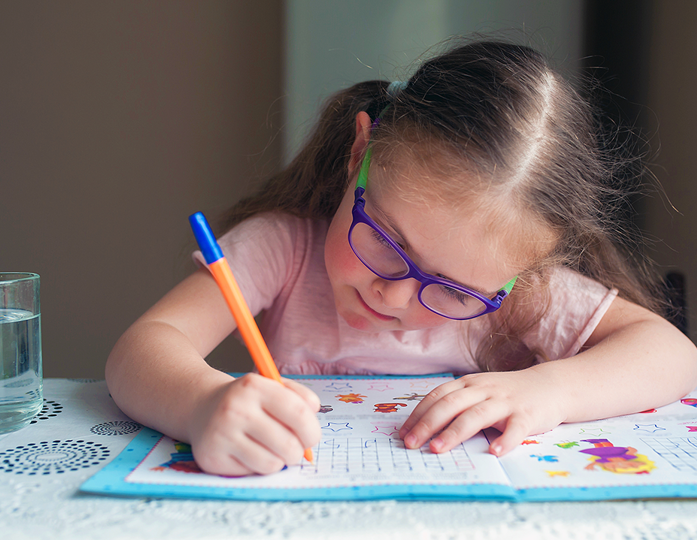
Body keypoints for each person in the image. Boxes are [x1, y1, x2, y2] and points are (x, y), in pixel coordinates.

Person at [106, 39, 697, 477]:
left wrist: (550, 392)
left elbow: (676, 356)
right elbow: (144, 347)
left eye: (455, 290)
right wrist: (203, 404)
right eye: (387, 241)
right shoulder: (281, 247)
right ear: (361, 151)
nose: (393, 293)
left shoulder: (521, 293)